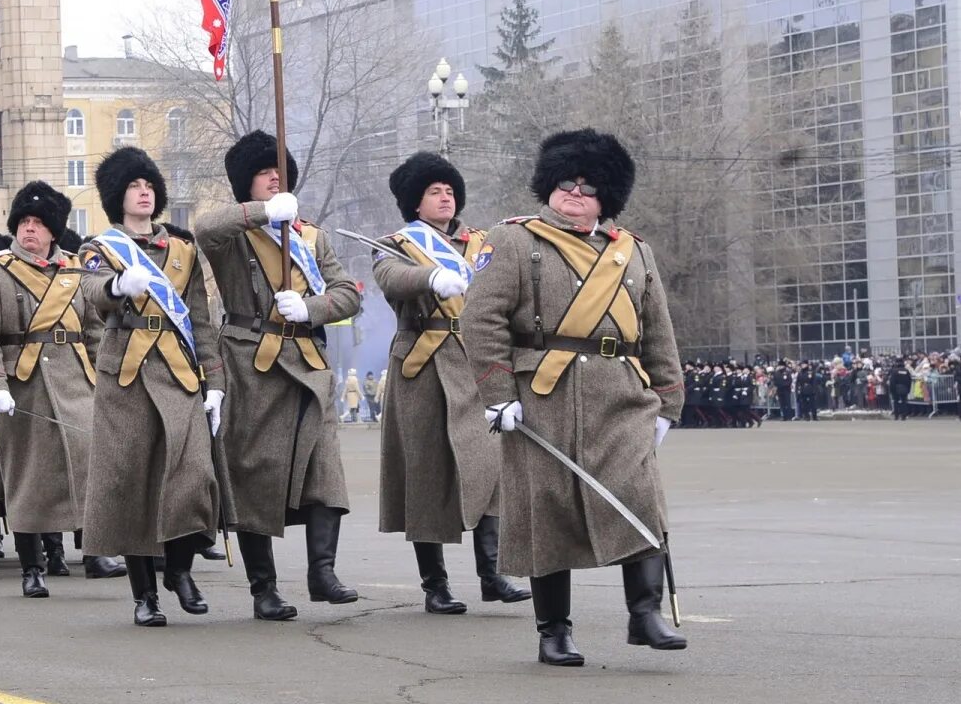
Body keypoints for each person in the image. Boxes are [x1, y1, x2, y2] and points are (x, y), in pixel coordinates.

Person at [462, 129, 687, 666]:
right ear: (549, 186)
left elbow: (658, 331)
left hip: (623, 396)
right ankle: (554, 631)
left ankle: (645, 614)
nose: (575, 194)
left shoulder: (633, 252)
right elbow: (480, 318)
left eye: (588, 188)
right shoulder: (514, 240)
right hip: (543, 396)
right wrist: (498, 392)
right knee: (548, 515)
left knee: (639, 501)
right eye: (566, 184)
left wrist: (669, 401)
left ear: (605, 197)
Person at [196, 130, 362, 619]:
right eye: (265, 172)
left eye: (280, 172)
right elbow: (205, 228)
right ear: (246, 182)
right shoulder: (236, 235)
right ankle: (263, 589)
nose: (274, 177)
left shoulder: (312, 237)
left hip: (307, 365)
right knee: (252, 481)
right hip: (251, 365)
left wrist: (311, 308)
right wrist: (262, 213)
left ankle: (322, 571)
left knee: (325, 470)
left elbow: (347, 294)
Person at [372, 150, 527, 615]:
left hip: (476, 363)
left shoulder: (482, 242)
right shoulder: (396, 244)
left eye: (448, 190)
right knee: (426, 474)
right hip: (424, 366)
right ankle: (435, 585)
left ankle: (492, 573)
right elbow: (391, 279)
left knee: (490, 468)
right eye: (433, 191)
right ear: (415, 203)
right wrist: (430, 276)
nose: (445, 197)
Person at [77, 147, 224, 625]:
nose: (144, 192)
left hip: (180, 374)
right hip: (127, 377)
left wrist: (214, 382)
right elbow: (90, 290)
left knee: (194, 474)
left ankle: (179, 569)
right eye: (134, 186)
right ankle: (145, 596)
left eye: (149, 185)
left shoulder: (182, 250)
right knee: (131, 486)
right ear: (117, 197)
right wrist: (118, 288)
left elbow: (201, 318)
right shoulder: (100, 249)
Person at [0, 182, 123, 587]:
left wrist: (104, 382)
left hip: (76, 382)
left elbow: (94, 333)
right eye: (24, 222)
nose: (30, 230)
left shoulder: (75, 268)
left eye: (38, 223)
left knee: (89, 466)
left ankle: (95, 551)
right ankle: (32, 567)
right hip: (24, 385)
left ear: (54, 231)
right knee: (28, 478)